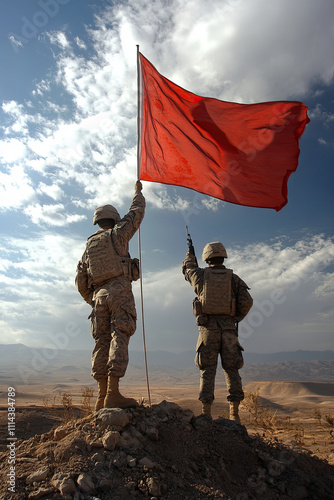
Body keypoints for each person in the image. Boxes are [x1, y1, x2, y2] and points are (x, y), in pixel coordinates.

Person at [75, 181, 145, 411]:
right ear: (114, 220)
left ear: (97, 221)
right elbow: (135, 214)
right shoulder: (118, 235)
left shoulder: (89, 246)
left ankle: (100, 397)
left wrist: (93, 300)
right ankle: (113, 393)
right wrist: (138, 193)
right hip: (119, 292)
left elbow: (80, 281)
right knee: (120, 335)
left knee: (101, 341)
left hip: (99, 298)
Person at [182, 241, 253, 421]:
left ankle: (206, 413)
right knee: (232, 370)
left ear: (206, 258)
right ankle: (234, 414)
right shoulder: (234, 278)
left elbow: (188, 269)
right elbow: (247, 301)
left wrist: (190, 253)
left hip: (208, 330)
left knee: (207, 370)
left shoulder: (200, 276)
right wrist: (235, 318)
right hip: (229, 330)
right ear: (223, 256)